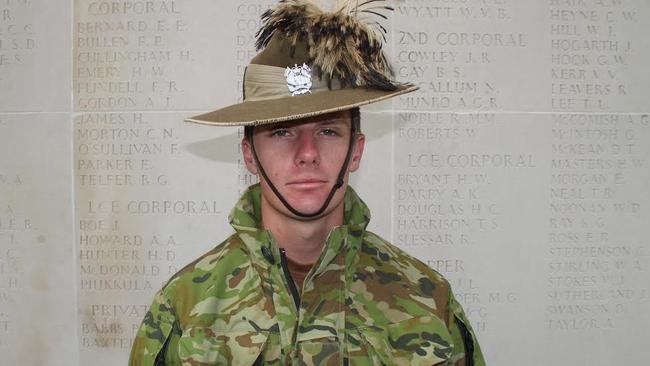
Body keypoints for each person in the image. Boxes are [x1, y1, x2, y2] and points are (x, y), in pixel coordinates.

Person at [129, 1, 485, 365]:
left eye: (328, 130)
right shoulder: (186, 306)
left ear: (356, 150)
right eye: (282, 132)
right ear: (249, 155)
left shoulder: (426, 299)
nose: (308, 153)